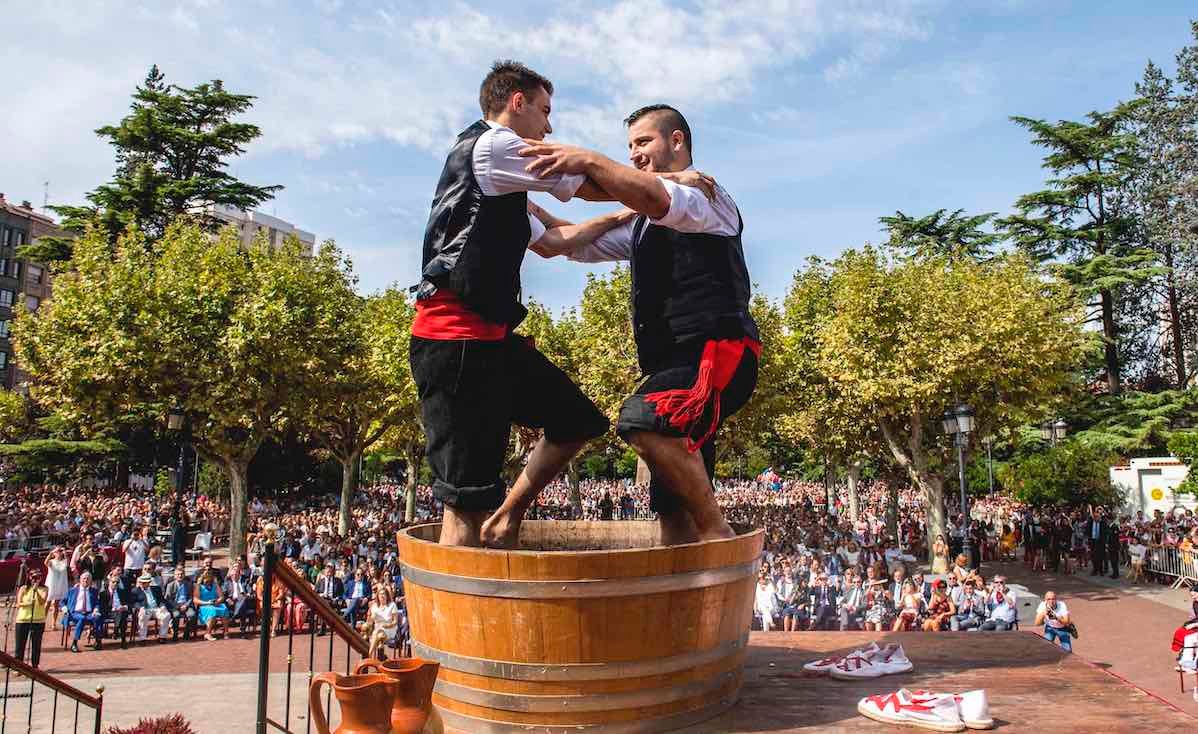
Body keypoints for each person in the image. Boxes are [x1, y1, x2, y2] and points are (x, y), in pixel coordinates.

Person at [519, 103, 756, 547]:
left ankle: (717, 534)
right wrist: (522, 204)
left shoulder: (705, 195)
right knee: (672, 503)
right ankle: (687, 575)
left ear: (677, 141)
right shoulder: (643, 224)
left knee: (643, 420)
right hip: (673, 368)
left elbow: (655, 197)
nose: (633, 154)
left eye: (643, 141)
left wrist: (589, 159)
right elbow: (573, 243)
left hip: (714, 357)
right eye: (628, 146)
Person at [409, 60, 611, 547]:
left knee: (578, 420)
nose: (549, 127)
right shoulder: (495, 145)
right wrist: (664, 189)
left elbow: (557, 241)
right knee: (465, 506)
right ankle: (458, 594)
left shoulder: (503, 182)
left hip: (492, 343)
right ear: (516, 103)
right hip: (456, 344)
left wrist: (629, 214)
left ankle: (507, 517)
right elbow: (584, 187)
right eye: (545, 111)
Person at [14, 569, 48, 667]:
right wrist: (28, 604)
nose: (36, 580)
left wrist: (36, 590)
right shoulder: (23, 588)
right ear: (29, 577)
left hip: (38, 621)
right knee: (20, 645)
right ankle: (19, 666)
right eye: (33, 577)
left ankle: (35, 666)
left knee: (36, 645)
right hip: (23, 620)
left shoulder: (44, 589)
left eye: (38, 577)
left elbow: (42, 602)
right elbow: (18, 604)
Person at [63, 571, 101, 653]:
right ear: (80, 579)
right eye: (84, 578)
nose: (85, 580)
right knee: (82, 618)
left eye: (88, 579)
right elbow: (62, 602)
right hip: (75, 613)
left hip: (89, 613)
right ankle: (74, 643)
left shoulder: (94, 591)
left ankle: (98, 641)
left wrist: (96, 609)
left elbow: (97, 603)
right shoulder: (72, 590)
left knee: (97, 617)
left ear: (90, 581)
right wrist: (64, 608)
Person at [131, 572, 172, 643]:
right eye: (141, 582)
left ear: (149, 583)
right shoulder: (135, 590)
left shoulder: (156, 589)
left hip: (156, 608)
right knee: (142, 616)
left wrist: (162, 606)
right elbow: (134, 602)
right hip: (145, 609)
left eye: (144, 583)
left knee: (166, 615)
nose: (142, 584)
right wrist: (140, 608)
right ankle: (142, 638)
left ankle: (162, 636)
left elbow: (162, 599)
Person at [98, 568, 131, 649]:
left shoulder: (121, 592)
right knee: (121, 616)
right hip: (109, 612)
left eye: (117, 582)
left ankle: (120, 636)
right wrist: (113, 609)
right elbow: (102, 606)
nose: (115, 584)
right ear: (109, 582)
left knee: (122, 614)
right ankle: (117, 632)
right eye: (113, 582)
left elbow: (128, 602)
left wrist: (125, 607)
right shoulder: (103, 593)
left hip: (119, 611)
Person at [194, 569, 229, 641]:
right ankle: (208, 633)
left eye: (209, 576)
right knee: (212, 610)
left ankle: (226, 632)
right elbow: (195, 600)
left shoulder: (215, 585)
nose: (208, 578)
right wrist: (207, 603)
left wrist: (217, 601)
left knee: (224, 608)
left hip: (215, 603)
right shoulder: (199, 586)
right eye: (205, 577)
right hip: (204, 605)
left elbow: (222, 597)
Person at [366, 587, 400, 659]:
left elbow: (395, 621)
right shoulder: (374, 606)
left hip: (390, 628)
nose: (382, 596)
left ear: (387, 595)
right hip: (378, 628)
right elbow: (370, 622)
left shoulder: (392, 605)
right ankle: (380, 656)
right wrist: (372, 617)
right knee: (378, 633)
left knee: (378, 633)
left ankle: (369, 654)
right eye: (380, 594)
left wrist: (388, 625)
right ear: (378, 596)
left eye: (384, 594)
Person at [223, 562, 257, 636]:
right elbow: (224, 594)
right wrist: (227, 599)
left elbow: (250, 592)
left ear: (239, 574)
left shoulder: (245, 581)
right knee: (242, 607)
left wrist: (247, 595)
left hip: (245, 601)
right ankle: (242, 629)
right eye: (233, 574)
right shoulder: (227, 582)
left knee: (243, 599)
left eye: (236, 574)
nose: (234, 576)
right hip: (232, 602)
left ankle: (235, 615)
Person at [165, 566, 197, 641]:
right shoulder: (170, 585)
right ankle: (175, 634)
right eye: (178, 574)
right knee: (176, 615)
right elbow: (168, 598)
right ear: (174, 576)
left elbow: (191, 597)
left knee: (192, 615)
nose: (180, 576)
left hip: (186, 605)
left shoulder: (189, 584)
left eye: (182, 574)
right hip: (175, 606)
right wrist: (177, 606)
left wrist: (186, 605)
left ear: (184, 575)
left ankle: (186, 633)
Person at [44, 546, 69, 631]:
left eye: (60, 551)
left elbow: (67, 564)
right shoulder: (51, 561)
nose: (59, 553)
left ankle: (53, 623)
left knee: (56, 604)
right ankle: (42, 621)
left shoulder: (64, 561)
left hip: (60, 584)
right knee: (47, 603)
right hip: (51, 584)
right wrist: (51, 553)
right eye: (57, 551)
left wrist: (65, 553)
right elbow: (45, 563)